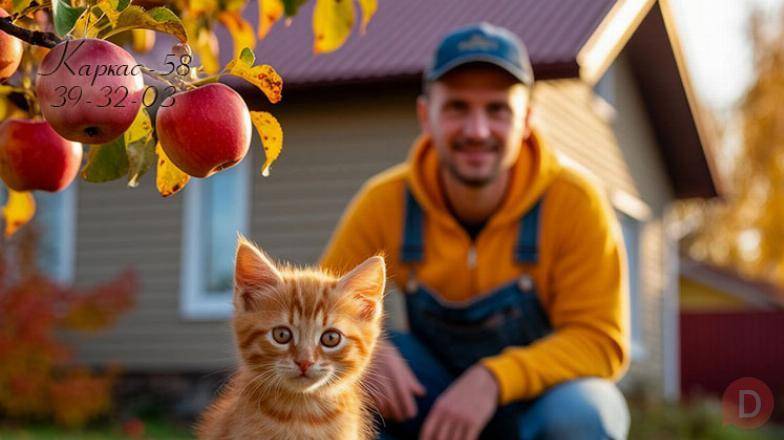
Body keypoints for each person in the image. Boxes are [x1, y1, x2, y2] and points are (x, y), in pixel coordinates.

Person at [320, 22, 630, 440]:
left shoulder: (576, 202)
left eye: (498, 109)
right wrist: (364, 349)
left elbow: (600, 340)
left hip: (536, 410)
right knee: (346, 383)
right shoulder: (384, 201)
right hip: (427, 408)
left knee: (585, 412)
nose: (477, 130)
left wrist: (493, 379)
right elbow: (320, 312)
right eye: (458, 108)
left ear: (527, 121)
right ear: (426, 116)